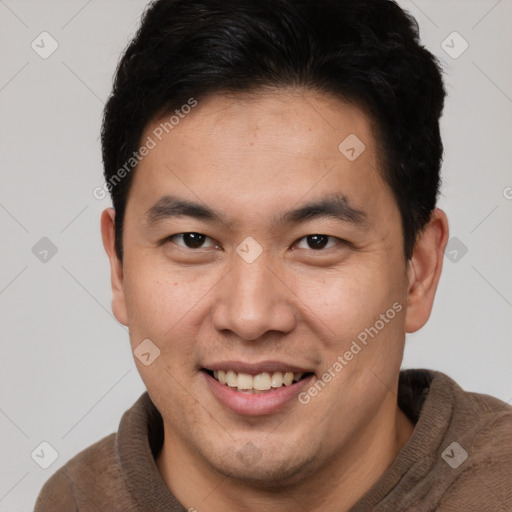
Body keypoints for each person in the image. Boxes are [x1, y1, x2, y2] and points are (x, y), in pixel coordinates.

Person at [34, 0, 512, 510]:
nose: (250, 316)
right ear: (119, 266)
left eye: (317, 241)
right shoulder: (73, 501)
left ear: (419, 270)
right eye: (193, 240)